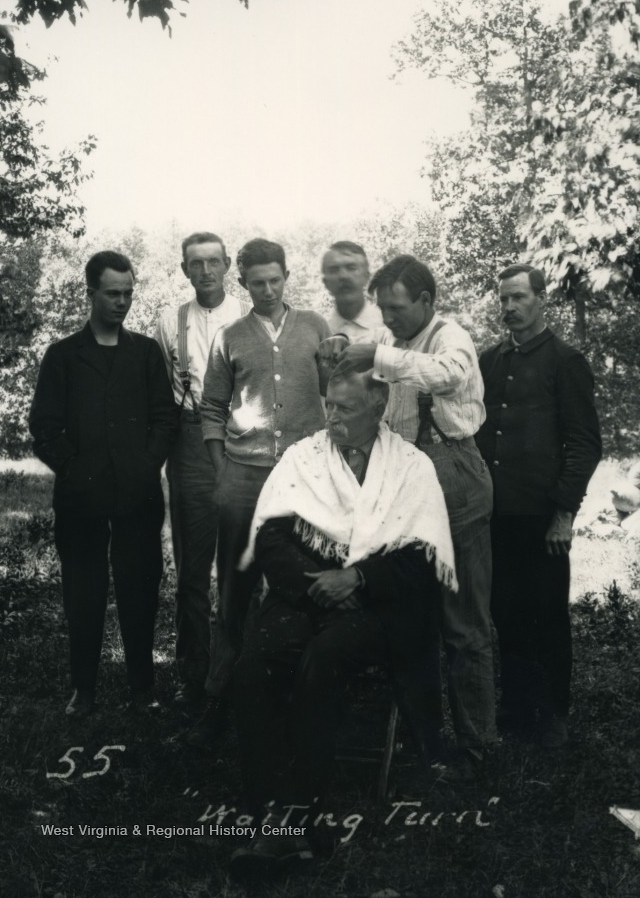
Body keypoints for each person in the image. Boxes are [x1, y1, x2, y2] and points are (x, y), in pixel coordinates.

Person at [229, 370, 455, 876]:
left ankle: (302, 816)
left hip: (378, 605)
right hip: (306, 592)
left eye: (345, 409)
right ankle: (267, 805)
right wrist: (321, 583)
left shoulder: (411, 468)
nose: (331, 416)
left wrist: (358, 578)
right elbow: (270, 538)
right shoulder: (303, 458)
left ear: (378, 410)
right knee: (255, 661)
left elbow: (423, 557)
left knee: (324, 658)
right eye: (328, 405)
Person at [321, 254, 497, 778]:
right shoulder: (391, 342)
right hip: (404, 483)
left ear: (426, 300)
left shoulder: (451, 337)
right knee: (411, 614)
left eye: (396, 309)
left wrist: (378, 353)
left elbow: (448, 377)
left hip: (456, 479)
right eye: (383, 310)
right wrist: (340, 358)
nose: (389, 319)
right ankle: (426, 740)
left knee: (464, 624)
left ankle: (479, 746)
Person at [29, 251, 177, 717]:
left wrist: (146, 464)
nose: (122, 302)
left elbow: (165, 418)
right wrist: (74, 471)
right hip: (81, 498)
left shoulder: (146, 353)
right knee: (83, 591)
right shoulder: (63, 356)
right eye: (112, 293)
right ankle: (84, 690)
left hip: (137, 495)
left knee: (139, 587)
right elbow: (44, 427)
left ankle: (141, 688)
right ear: (90, 293)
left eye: (129, 293)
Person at [198, 238, 330, 730]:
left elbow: (335, 391)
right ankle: (221, 692)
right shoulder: (230, 336)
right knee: (235, 584)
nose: (269, 289)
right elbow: (211, 408)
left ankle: (295, 693)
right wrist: (221, 469)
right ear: (244, 283)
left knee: (304, 578)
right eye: (258, 283)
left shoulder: (316, 327)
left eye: (276, 280)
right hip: (244, 476)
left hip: (306, 478)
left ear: (287, 276)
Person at [476, 264, 601, 747]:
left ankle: (552, 718)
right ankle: (515, 712)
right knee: (504, 612)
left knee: (546, 614)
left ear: (540, 299)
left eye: (518, 298)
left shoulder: (565, 361)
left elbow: (585, 445)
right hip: (496, 514)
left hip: (543, 516)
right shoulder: (488, 360)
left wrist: (564, 514)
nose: (509, 308)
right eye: (503, 299)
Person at [155, 233, 248, 708]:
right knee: (193, 563)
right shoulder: (171, 321)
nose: (207, 270)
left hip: (243, 440)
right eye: (197, 263)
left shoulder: (249, 319)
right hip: (190, 440)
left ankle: (243, 667)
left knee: (244, 558)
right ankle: (192, 670)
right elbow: (161, 389)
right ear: (185, 269)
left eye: (214, 261)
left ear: (229, 265)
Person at [321, 240, 383, 340]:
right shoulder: (321, 334)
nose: (343, 276)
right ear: (325, 282)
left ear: (366, 276)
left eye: (352, 268)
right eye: (334, 269)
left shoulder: (389, 326)